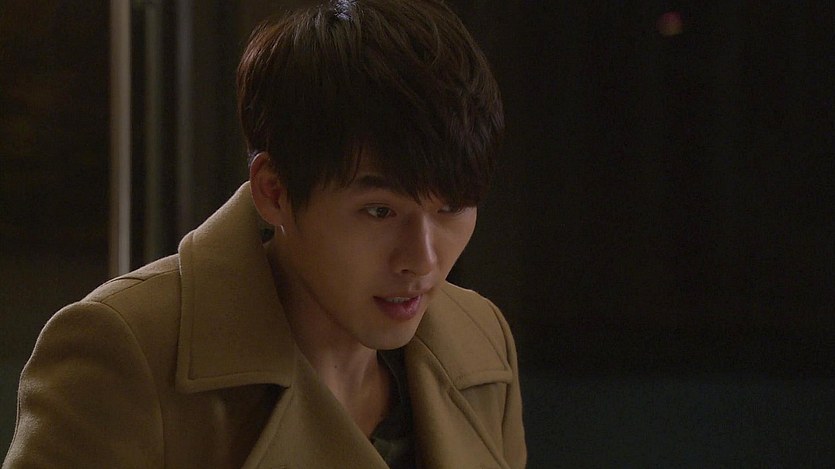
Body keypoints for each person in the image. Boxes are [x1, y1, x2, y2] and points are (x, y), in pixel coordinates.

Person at [3, 0, 526, 467]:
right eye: (379, 211)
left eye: (451, 207)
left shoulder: (479, 342)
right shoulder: (127, 353)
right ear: (275, 191)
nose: (422, 260)